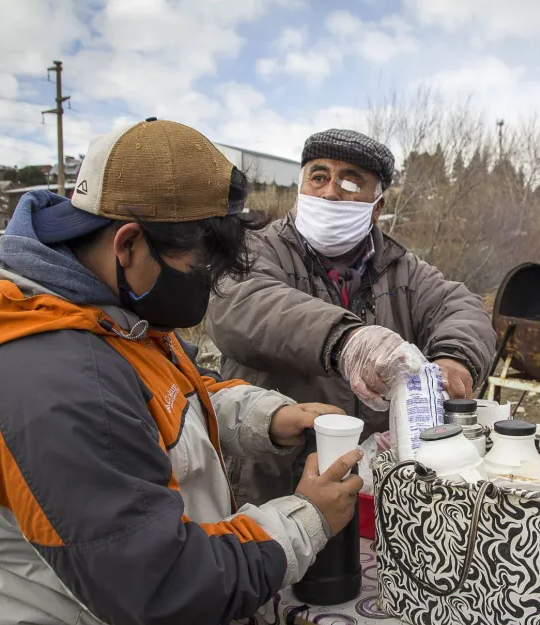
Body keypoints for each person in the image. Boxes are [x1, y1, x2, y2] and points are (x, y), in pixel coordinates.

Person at [0, 118, 362, 625]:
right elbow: (167, 585)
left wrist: (265, 416)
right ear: (128, 243)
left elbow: (170, 397)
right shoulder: (53, 380)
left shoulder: (105, 307)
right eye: (199, 266)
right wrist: (308, 518)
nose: (206, 283)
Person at [207, 128, 497, 505]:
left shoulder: (402, 270)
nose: (329, 192)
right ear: (301, 188)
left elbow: (461, 307)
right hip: (267, 482)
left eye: (349, 181)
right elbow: (239, 305)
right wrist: (345, 340)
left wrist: (455, 357)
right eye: (319, 177)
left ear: (376, 206)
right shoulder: (255, 249)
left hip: (368, 486)